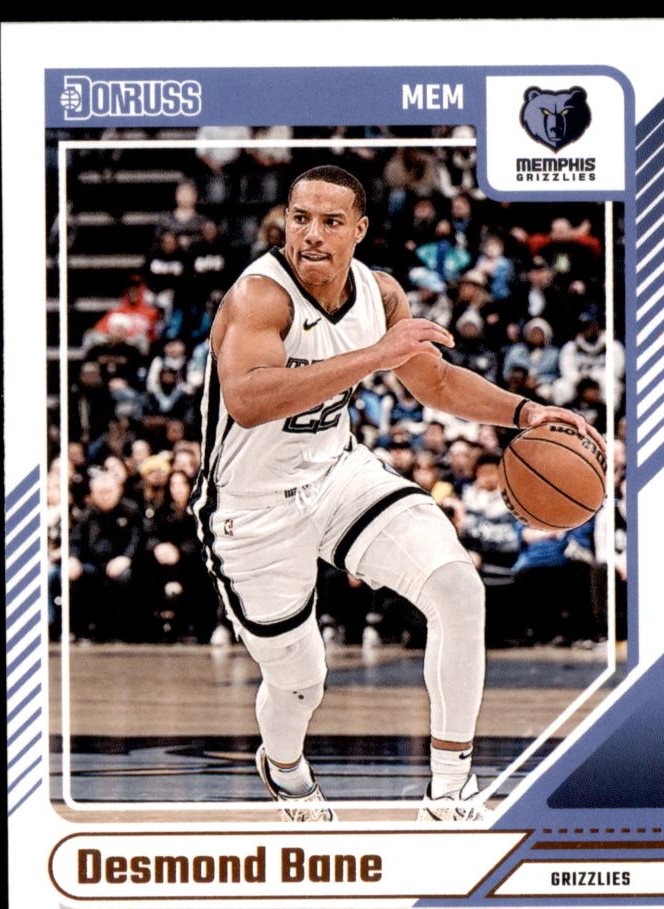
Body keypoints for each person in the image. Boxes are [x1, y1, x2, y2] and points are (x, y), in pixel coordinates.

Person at [191, 164, 603, 824]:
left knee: (458, 590)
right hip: (252, 508)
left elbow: (433, 382)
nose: (312, 234)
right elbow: (247, 399)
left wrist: (525, 413)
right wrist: (373, 357)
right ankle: (286, 769)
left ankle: (450, 792)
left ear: (358, 230)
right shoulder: (258, 298)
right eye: (300, 218)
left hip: (338, 474)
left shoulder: (379, 294)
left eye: (331, 222)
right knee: (300, 682)